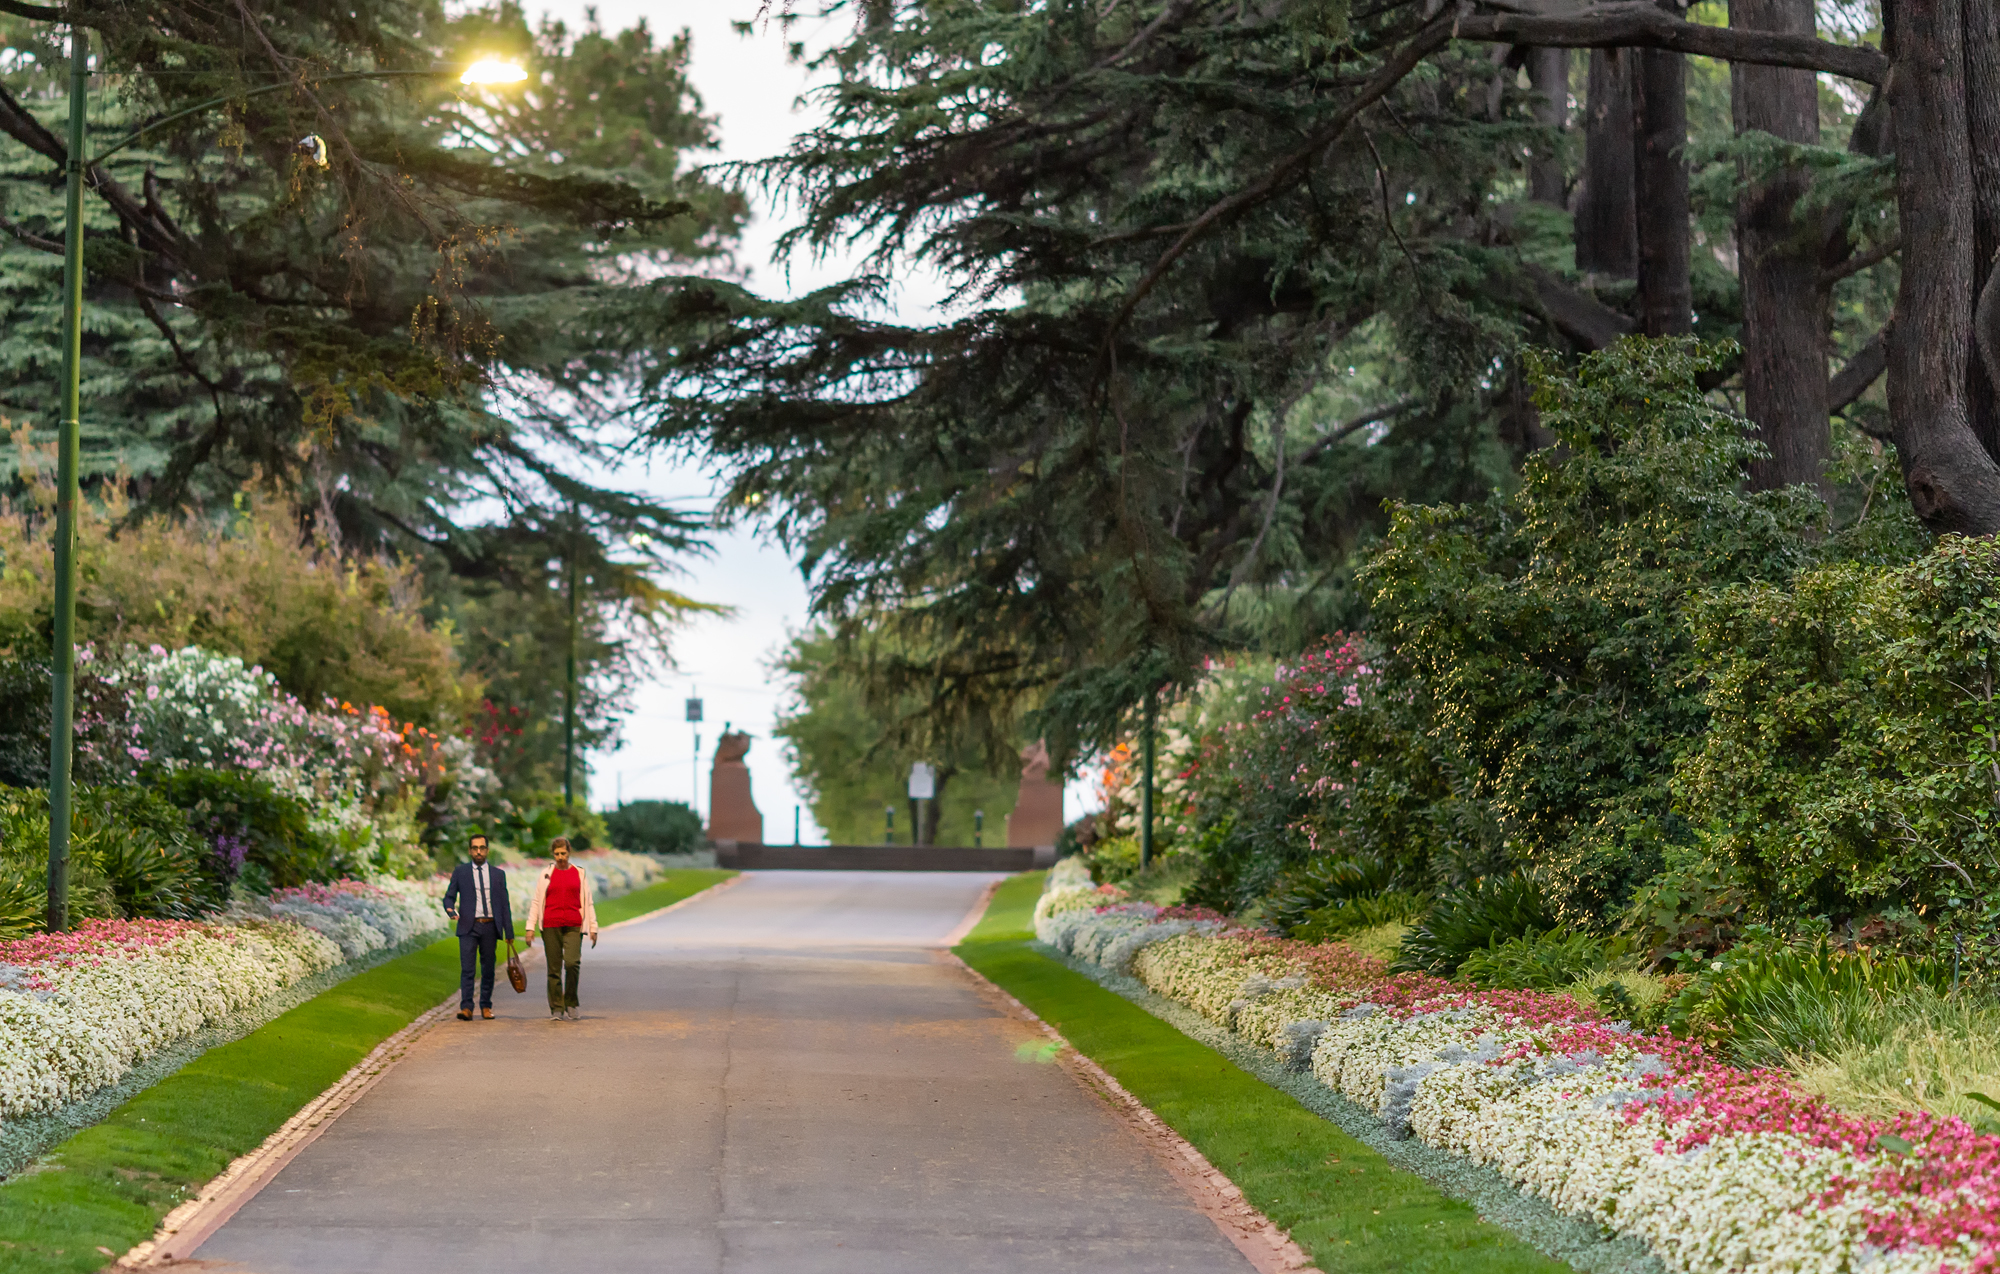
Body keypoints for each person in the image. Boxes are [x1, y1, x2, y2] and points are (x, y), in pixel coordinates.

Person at [441, 834, 514, 1021]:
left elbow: (504, 904)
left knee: (488, 969)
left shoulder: (498, 875)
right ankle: (466, 1007)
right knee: (468, 969)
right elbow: (449, 897)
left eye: (482, 848)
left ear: (487, 850)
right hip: (468, 926)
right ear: (470, 851)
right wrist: (451, 910)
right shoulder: (461, 872)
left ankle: (486, 1006)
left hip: (490, 926)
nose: (478, 851)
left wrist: (509, 931)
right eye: (475, 848)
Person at [525, 837, 597, 1020]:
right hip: (550, 924)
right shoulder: (545, 874)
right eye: (557, 854)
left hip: (574, 923)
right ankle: (557, 1007)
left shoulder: (579, 874)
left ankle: (571, 1002)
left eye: (563, 853)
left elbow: (588, 902)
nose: (560, 857)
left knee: (572, 963)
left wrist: (593, 928)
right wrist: (529, 927)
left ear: (569, 852)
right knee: (553, 968)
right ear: (553, 854)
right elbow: (536, 901)